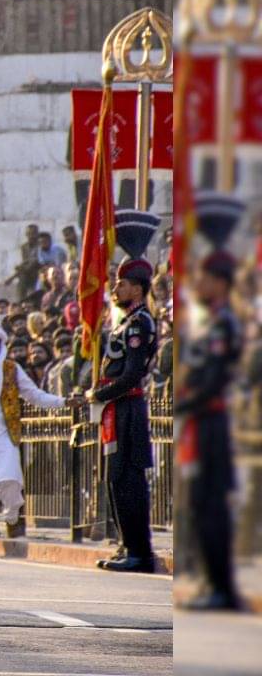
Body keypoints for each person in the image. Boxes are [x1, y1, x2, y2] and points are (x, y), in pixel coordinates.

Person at [0, 325, 79, 555]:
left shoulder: (11, 369)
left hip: (3, 435)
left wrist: (63, 402)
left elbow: (34, 395)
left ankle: (12, 514)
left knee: (11, 479)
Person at [177, 200, 245, 610]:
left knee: (211, 505)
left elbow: (214, 377)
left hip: (211, 422)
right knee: (201, 505)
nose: (197, 283)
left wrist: (186, 403)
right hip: (200, 421)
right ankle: (212, 583)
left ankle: (222, 587)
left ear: (219, 282)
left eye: (203, 277)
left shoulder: (223, 323)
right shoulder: (208, 321)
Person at [88, 253, 159, 574]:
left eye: (122, 284)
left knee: (129, 480)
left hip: (129, 409)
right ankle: (127, 545)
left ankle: (139, 552)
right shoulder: (126, 321)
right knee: (115, 479)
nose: (115, 290)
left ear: (138, 289)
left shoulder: (139, 323)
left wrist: (98, 395)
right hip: (116, 408)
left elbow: (130, 375)